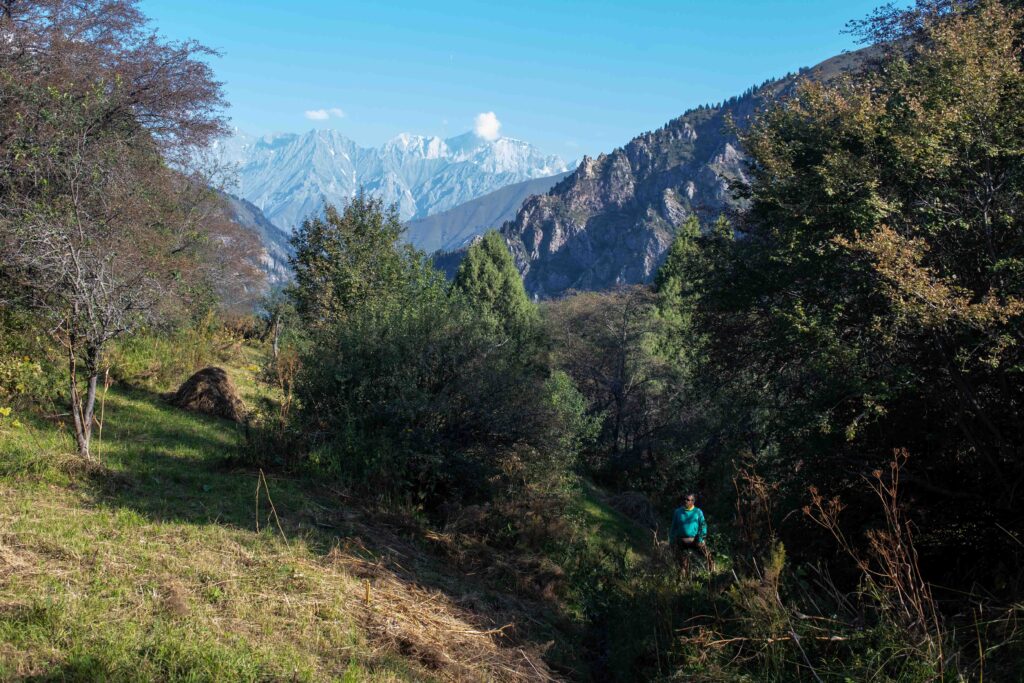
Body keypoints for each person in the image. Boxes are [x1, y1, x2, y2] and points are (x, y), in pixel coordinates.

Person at [670, 493, 714, 577]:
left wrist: (701, 538)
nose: (685, 501)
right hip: (681, 540)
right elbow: (673, 527)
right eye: (685, 499)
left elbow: (703, 525)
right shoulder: (678, 512)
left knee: (708, 556)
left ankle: (712, 573)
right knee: (682, 562)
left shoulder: (698, 512)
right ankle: (683, 578)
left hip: (695, 540)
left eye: (688, 500)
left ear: (693, 501)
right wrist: (671, 539)